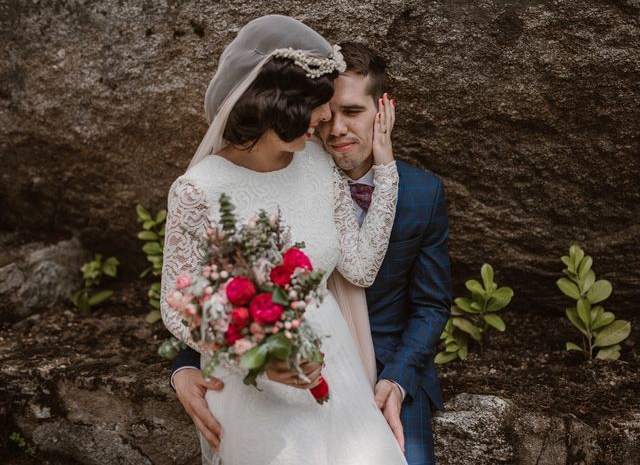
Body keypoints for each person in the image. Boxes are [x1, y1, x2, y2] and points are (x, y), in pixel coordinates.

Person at [170, 41, 452, 465]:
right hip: (267, 374)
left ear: (382, 111)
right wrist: (197, 364)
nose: (331, 126)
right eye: (323, 110)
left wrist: (385, 168)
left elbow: (404, 290)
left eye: (351, 111)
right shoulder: (209, 185)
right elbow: (189, 298)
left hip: (369, 371)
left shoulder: (418, 192)